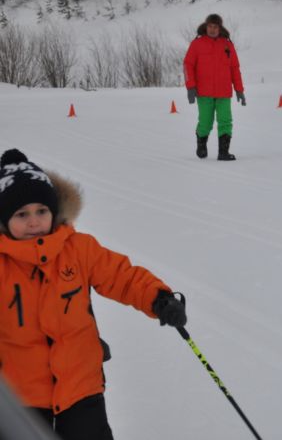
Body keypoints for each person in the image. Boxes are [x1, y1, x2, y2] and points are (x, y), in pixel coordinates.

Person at [0, 149, 188, 440]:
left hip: (80, 384)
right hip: (19, 393)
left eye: (41, 211)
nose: (34, 222)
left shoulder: (78, 249)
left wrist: (158, 298)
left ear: (54, 211)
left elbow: (121, 276)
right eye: (21, 214)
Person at [184, 13, 246, 161]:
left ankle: (223, 152)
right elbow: (188, 65)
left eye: (215, 27)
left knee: (225, 121)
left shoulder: (227, 44)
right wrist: (190, 87)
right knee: (205, 122)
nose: (212, 29)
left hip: (224, 92)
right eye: (210, 26)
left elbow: (235, 68)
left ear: (220, 28)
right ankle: (201, 144)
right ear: (206, 27)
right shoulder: (197, 44)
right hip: (203, 92)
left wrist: (239, 89)